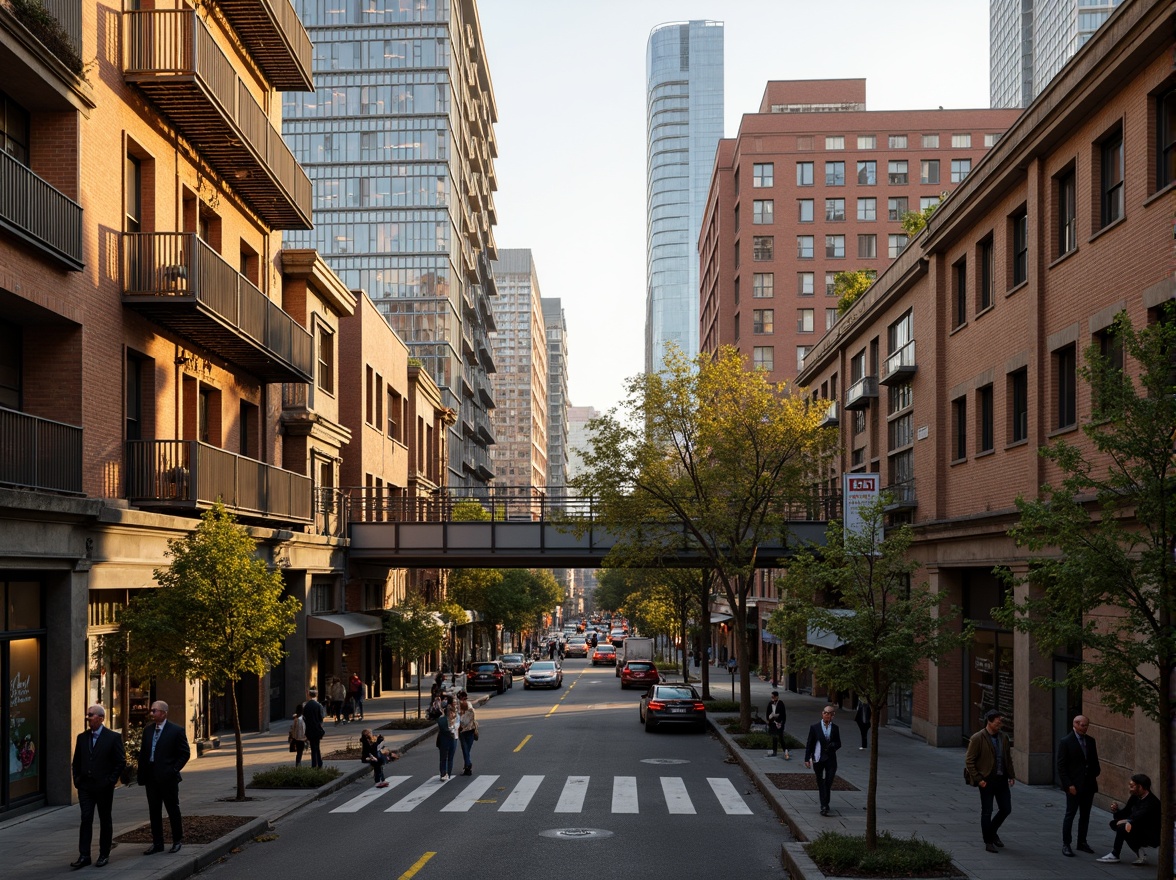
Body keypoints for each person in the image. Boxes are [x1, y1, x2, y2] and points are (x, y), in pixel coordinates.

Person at [71, 704, 126, 869]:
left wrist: (110, 780)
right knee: (86, 818)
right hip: (85, 787)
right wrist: (77, 780)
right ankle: (84, 855)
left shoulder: (112, 738)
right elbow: (77, 761)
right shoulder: (82, 737)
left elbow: (120, 761)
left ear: (101, 718)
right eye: (87, 715)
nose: (88, 718)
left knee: (104, 819)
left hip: (103, 786)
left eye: (91, 715)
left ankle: (104, 854)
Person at [138, 701, 190, 855]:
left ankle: (177, 840)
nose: (152, 713)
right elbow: (143, 754)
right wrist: (142, 775)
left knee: (172, 809)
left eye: (155, 711)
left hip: (168, 778)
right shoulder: (147, 731)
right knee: (154, 811)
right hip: (151, 778)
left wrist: (173, 769)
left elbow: (184, 753)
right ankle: (157, 842)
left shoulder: (176, 731)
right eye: (151, 710)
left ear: (164, 713)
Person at [964, 708, 1016, 854]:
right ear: (989, 721)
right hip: (986, 781)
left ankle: (992, 832)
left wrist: (1011, 775)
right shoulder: (977, 738)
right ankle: (988, 841)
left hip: (1001, 780)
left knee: (1006, 809)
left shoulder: (1003, 737)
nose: (1000, 724)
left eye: (1001, 722)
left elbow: (1007, 758)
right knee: (987, 811)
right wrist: (979, 780)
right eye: (998, 722)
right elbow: (969, 761)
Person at [1057, 714, 1100, 857]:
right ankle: (1066, 843)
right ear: (1075, 724)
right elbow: (1061, 766)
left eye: (1086, 725)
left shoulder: (1090, 741)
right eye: (1082, 725)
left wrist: (1094, 773)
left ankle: (1082, 842)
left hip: (1088, 785)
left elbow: (1094, 761)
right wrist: (1068, 784)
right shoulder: (1066, 742)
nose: (1085, 728)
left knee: (1085, 815)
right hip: (1074, 786)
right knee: (1070, 814)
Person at [1097, 773, 1161, 865]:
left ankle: (1115, 854)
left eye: (1132, 786)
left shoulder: (1152, 802)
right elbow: (1125, 812)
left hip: (1151, 834)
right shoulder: (1136, 796)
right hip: (1138, 826)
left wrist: (1127, 821)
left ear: (1141, 787)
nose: (1129, 788)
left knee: (1123, 827)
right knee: (1116, 824)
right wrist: (1116, 810)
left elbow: (1138, 817)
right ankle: (1138, 850)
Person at [804, 705, 842, 816]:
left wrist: (833, 745)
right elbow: (809, 743)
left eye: (829, 713)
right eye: (825, 712)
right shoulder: (815, 727)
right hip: (818, 758)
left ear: (833, 716)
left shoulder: (835, 728)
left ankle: (825, 802)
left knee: (828, 782)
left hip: (830, 759)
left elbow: (839, 743)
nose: (826, 715)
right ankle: (824, 805)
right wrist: (807, 758)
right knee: (820, 781)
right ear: (822, 713)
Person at [302, 687, 325, 769]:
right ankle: (319, 763)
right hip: (317, 729)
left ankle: (314, 764)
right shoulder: (318, 705)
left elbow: (304, 718)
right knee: (317, 746)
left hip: (309, 729)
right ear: (316, 695)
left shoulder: (306, 706)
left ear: (309, 695)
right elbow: (321, 718)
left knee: (312, 747)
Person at [457, 690, 477, 776]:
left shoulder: (459, 710)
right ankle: (467, 768)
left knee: (465, 750)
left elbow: (459, 721)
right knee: (467, 750)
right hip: (471, 730)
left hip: (463, 732)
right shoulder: (471, 708)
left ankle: (468, 765)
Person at [765, 690, 790, 760]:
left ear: (777, 697)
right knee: (774, 737)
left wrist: (782, 722)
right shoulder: (770, 703)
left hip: (779, 723)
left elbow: (783, 714)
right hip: (773, 723)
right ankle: (774, 751)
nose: (772, 698)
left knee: (780, 737)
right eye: (772, 697)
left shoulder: (781, 703)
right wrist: (769, 719)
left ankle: (785, 750)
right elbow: (768, 712)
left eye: (773, 697)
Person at [436, 703, 458, 781]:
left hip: (444, 740)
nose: (453, 714)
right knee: (448, 758)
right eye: (452, 712)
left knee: (444, 758)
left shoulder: (441, 719)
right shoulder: (453, 720)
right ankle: (447, 773)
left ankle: (444, 773)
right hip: (451, 739)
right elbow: (453, 730)